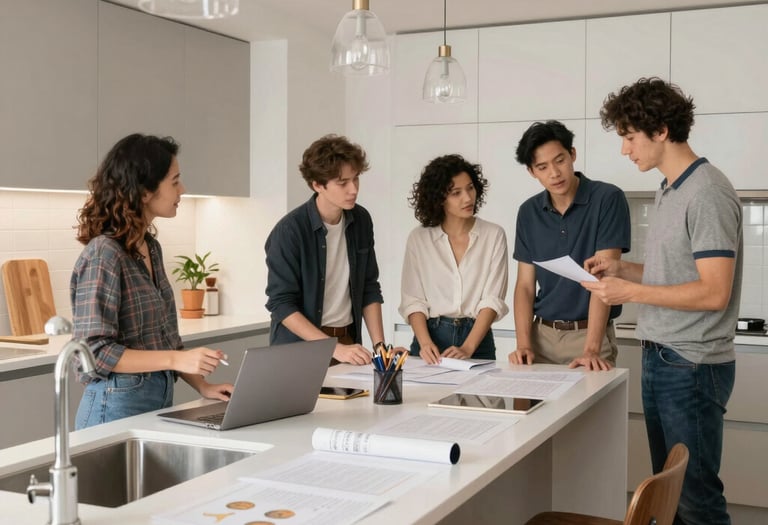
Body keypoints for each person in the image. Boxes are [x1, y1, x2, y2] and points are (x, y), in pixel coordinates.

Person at [583, 77, 742, 525]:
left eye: (629, 137)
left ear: (662, 131)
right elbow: (676, 276)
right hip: (665, 359)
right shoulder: (671, 189)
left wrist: (630, 292)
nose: (624, 150)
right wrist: (621, 271)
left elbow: (714, 292)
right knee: (668, 496)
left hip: (690, 365)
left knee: (696, 500)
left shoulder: (706, 190)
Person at [71, 133, 232, 430]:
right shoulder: (104, 253)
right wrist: (176, 360)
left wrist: (203, 386)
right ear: (144, 191)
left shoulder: (149, 248)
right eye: (175, 181)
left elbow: (164, 340)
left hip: (153, 404)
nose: (182, 189)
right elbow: (94, 352)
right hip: (112, 409)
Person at [509, 120, 631, 371]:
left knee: (592, 410)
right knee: (533, 410)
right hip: (540, 336)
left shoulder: (607, 198)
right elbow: (524, 286)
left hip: (588, 335)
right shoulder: (528, 212)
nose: (554, 173)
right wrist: (523, 344)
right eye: (542, 167)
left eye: (560, 160)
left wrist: (591, 349)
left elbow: (603, 278)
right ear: (532, 172)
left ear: (572, 154)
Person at [265, 134, 392, 365]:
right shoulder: (289, 231)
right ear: (317, 185)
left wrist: (379, 347)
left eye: (356, 179)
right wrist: (332, 348)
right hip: (299, 350)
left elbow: (369, 287)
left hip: (347, 343)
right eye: (342, 183)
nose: (353, 189)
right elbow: (281, 303)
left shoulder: (361, 219)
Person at [399, 154, 509, 364]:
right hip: (429, 339)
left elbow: (492, 299)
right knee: (424, 396)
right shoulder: (419, 238)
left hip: (477, 339)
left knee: (478, 397)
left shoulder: (493, 235)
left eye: (470, 188)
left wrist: (468, 347)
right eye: (456, 193)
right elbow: (413, 300)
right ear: (439, 198)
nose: (468, 198)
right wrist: (424, 343)